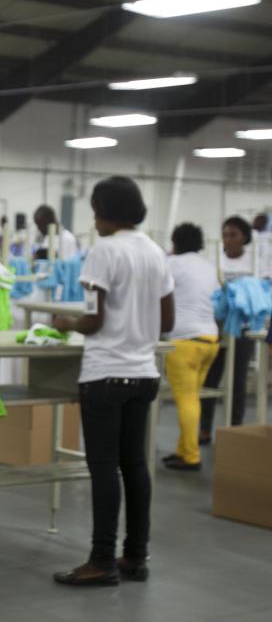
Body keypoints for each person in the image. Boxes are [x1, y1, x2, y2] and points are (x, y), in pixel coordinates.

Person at [53, 176, 174, 586]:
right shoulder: (156, 252)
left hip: (106, 374)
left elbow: (94, 319)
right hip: (143, 373)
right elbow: (168, 321)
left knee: (103, 469)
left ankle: (101, 560)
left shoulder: (104, 251)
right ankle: (135, 557)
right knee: (135, 466)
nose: (94, 219)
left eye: (95, 210)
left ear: (105, 212)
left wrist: (63, 322)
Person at [161, 224, 220, 471]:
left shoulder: (173, 264)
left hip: (184, 342)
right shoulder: (209, 266)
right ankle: (183, 450)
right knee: (192, 399)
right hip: (210, 341)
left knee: (186, 400)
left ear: (175, 242)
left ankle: (192, 457)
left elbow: (157, 295)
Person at [199, 216, 256, 444]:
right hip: (217, 327)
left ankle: (235, 428)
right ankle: (204, 429)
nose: (228, 240)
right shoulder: (214, 261)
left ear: (244, 237)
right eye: (225, 235)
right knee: (210, 378)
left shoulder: (253, 263)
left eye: (233, 235)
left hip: (243, 328)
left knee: (238, 379)